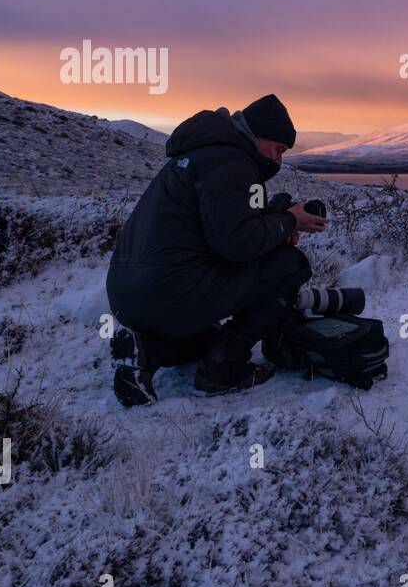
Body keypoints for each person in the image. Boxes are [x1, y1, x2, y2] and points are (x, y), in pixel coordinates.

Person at [106, 94, 327, 399]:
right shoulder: (232, 162)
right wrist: (288, 222)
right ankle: (222, 370)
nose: (278, 161)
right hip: (169, 291)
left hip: (127, 296)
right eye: (277, 149)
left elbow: (229, 223)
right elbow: (238, 244)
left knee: (210, 338)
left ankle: (146, 349)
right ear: (258, 134)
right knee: (290, 264)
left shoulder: (202, 155)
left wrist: (277, 220)